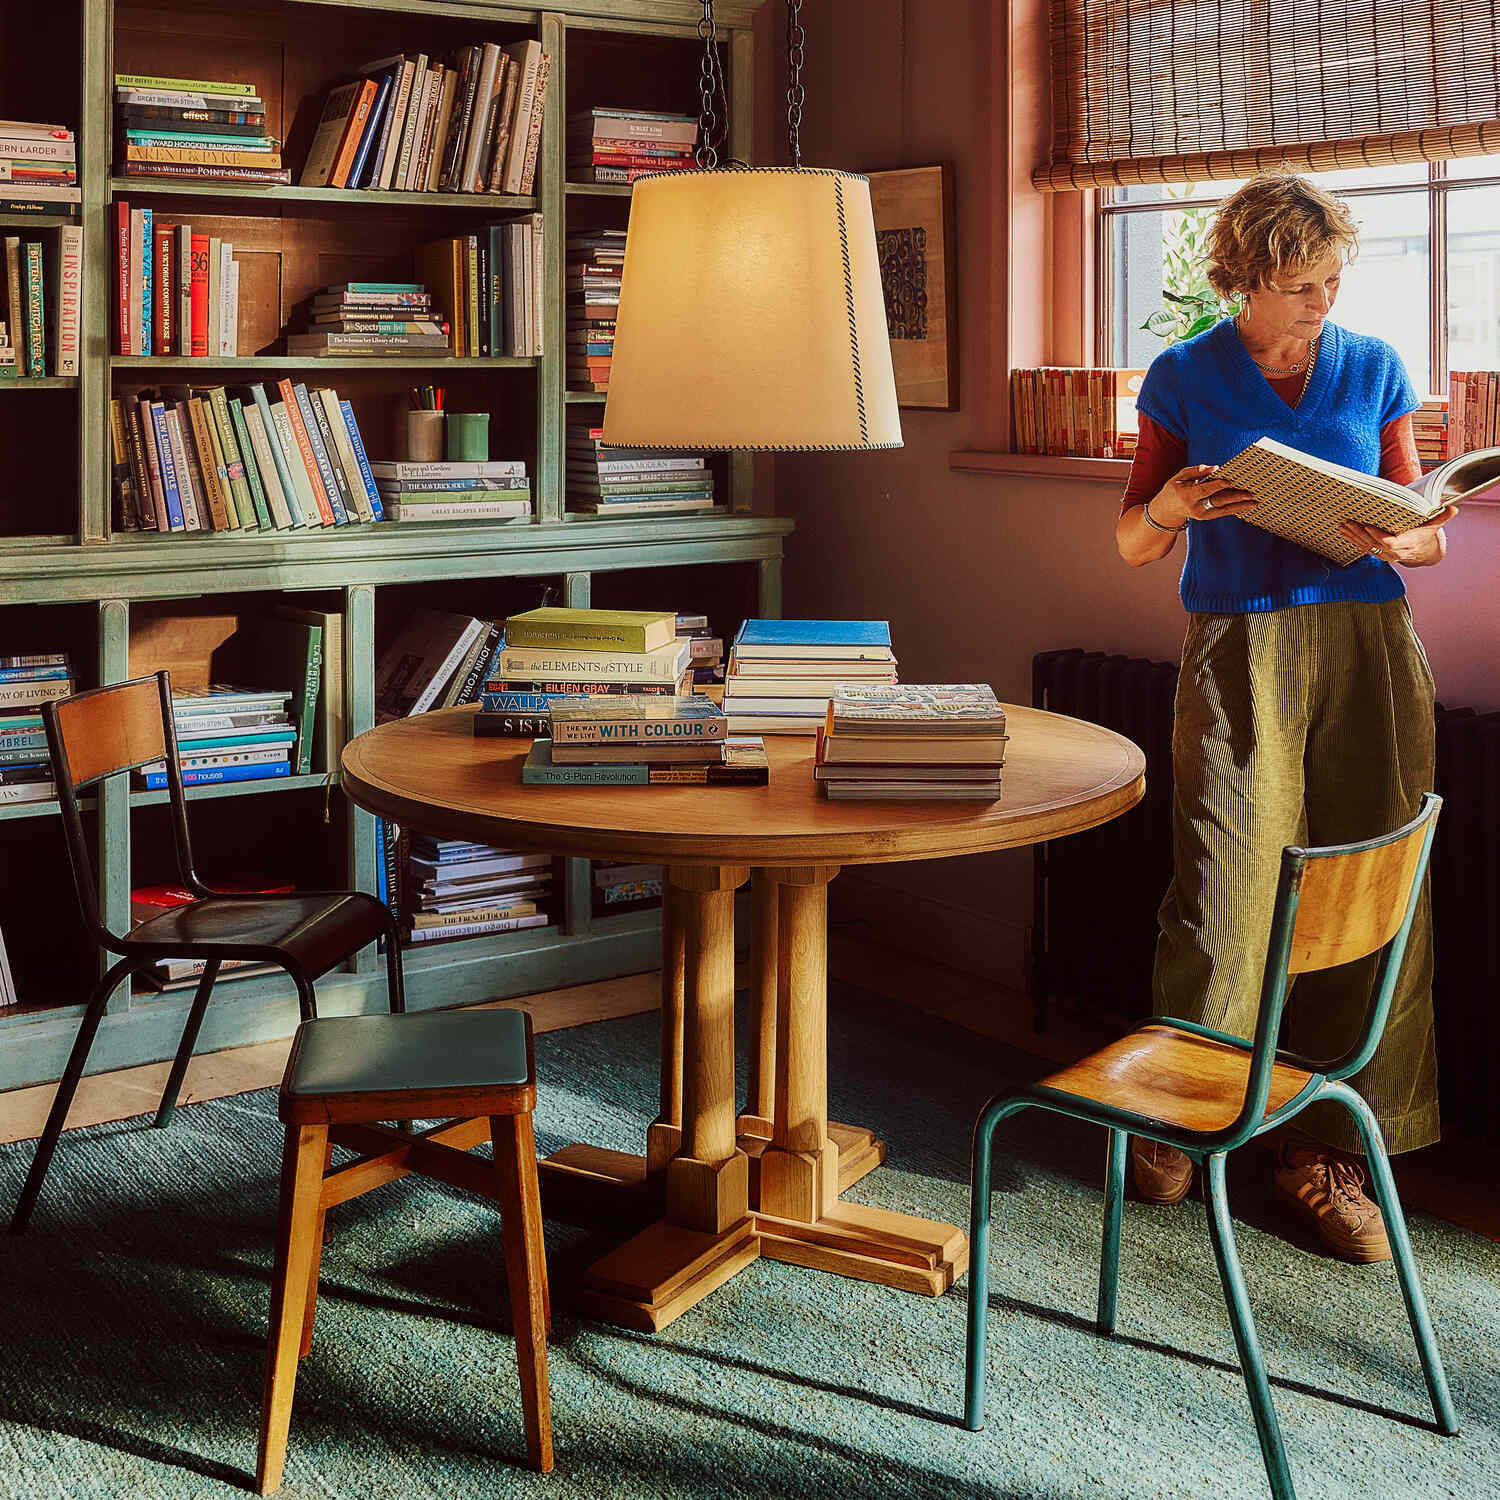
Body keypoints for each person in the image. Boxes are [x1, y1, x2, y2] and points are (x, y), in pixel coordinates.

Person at [1116, 173, 1457, 1264]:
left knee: (1369, 893)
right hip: (1238, 649)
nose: (1324, 300)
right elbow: (1133, 539)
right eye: (1303, 283)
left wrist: (1402, 533)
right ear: (1248, 279)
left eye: (1332, 279)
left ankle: (1325, 1153)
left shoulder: (1375, 367)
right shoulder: (1183, 375)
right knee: (1223, 891)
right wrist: (1175, 504)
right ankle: (1182, 1109)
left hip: (1366, 646)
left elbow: (1431, 536)